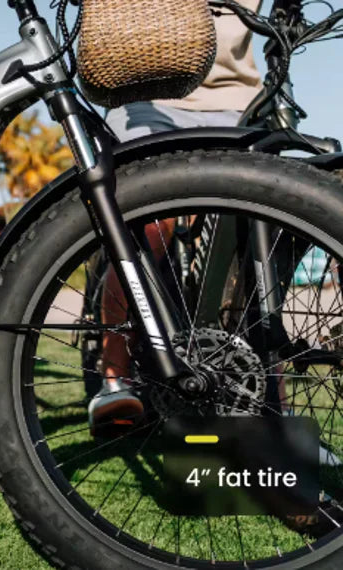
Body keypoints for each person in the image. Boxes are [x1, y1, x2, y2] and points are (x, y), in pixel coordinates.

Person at [88, 0, 264, 434]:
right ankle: (115, 373)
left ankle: (273, 404)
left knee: (266, 231)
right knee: (149, 226)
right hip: (147, 89)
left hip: (239, 97)